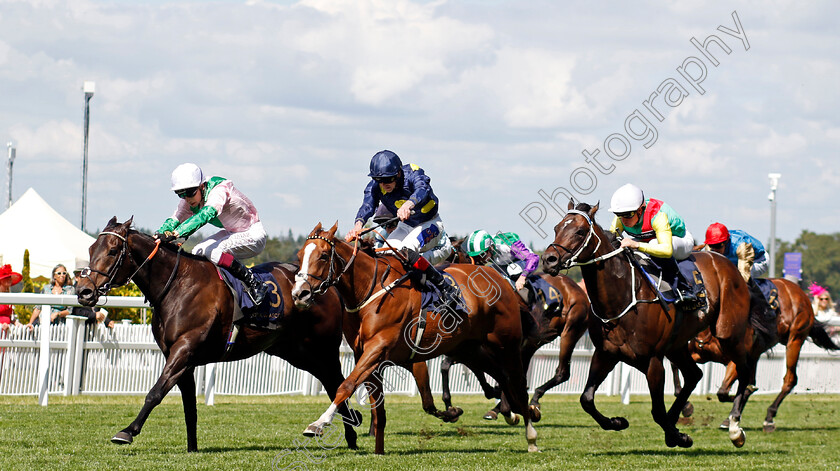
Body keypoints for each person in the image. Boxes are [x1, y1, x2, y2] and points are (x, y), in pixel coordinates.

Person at [345, 150, 458, 306]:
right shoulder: (376, 187)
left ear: (398, 173)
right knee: (385, 254)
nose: (384, 184)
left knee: (406, 250)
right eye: (379, 180)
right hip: (407, 226)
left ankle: (444, 287)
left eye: (388, 179)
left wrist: (408, 204)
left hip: (431, 224)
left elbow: (422, 189)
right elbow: (367, 206)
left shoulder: (412, 173)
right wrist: (357, 227)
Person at [156, 163, 269, 305]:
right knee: (197, 252)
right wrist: (158, 234)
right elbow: (176, 217)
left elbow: (206, 214)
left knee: (212, 252)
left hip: (253, 234)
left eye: (190, 193)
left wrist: (176, 233)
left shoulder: (219, 190)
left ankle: (254, 283)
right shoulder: (192, 198)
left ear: (202, 186)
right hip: (231, 232)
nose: (187, 199)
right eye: (181, 194)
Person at [608, 183, 703, 310]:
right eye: (619, 214)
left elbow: (666, 250)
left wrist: (636, 244)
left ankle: (683, 288)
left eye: (628, 215)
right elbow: (611, 243)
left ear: (640, 209)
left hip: (680, 241)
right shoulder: (621, 217)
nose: (624, 220)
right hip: (649, 240)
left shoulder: (657, 215)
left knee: (653, 244)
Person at [465, 230, 539, 293]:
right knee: (486, 272)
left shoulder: (506, 244)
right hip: (502, 264)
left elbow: (533, 258)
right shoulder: (487, 250)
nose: (480, 259)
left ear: (491, 247)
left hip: (524, 262)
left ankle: (532, 296)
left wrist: (523, 277)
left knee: (512, 269)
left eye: (482, 255)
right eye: (476, 257)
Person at [703, 223, 768, 282]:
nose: (715, 249)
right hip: (735, 262)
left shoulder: (741, 246)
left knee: (733, 278)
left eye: (718, 246)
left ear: (726, 241)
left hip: (758, 261)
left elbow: (743, 275)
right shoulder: (710, 248)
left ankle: (756, 294)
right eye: (712, 245)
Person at [27, 264, 75, 330]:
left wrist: (58, 314)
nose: (62, 275)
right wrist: (30, 323)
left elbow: (69, 310)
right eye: (59, 273)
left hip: (60, 326)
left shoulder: (70, 290)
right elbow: (38, 308)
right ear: (54, 276)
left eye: (64, 273)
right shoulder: (46, 288)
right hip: (43, 323)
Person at [0, 264, 23, 334]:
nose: (9, 279)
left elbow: (11, 317)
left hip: (7, 332)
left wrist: (17, 323)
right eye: (6, 277)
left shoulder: (9, 296)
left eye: (10, 277)